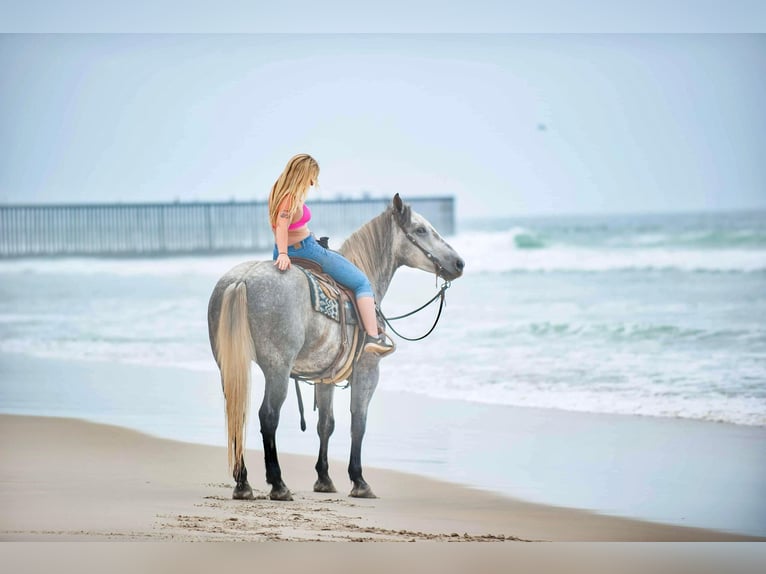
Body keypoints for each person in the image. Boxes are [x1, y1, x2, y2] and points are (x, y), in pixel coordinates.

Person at [269, 153, 394, 355]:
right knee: (361, 282)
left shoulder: (278, 191)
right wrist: (283, 254)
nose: (312, 182)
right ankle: (373, 337)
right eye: (312, 176)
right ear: (303, 174)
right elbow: (282, 226)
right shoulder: (289, 198)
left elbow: (284, 225)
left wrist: (282, 251)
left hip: (293, 247)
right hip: (305, 250)